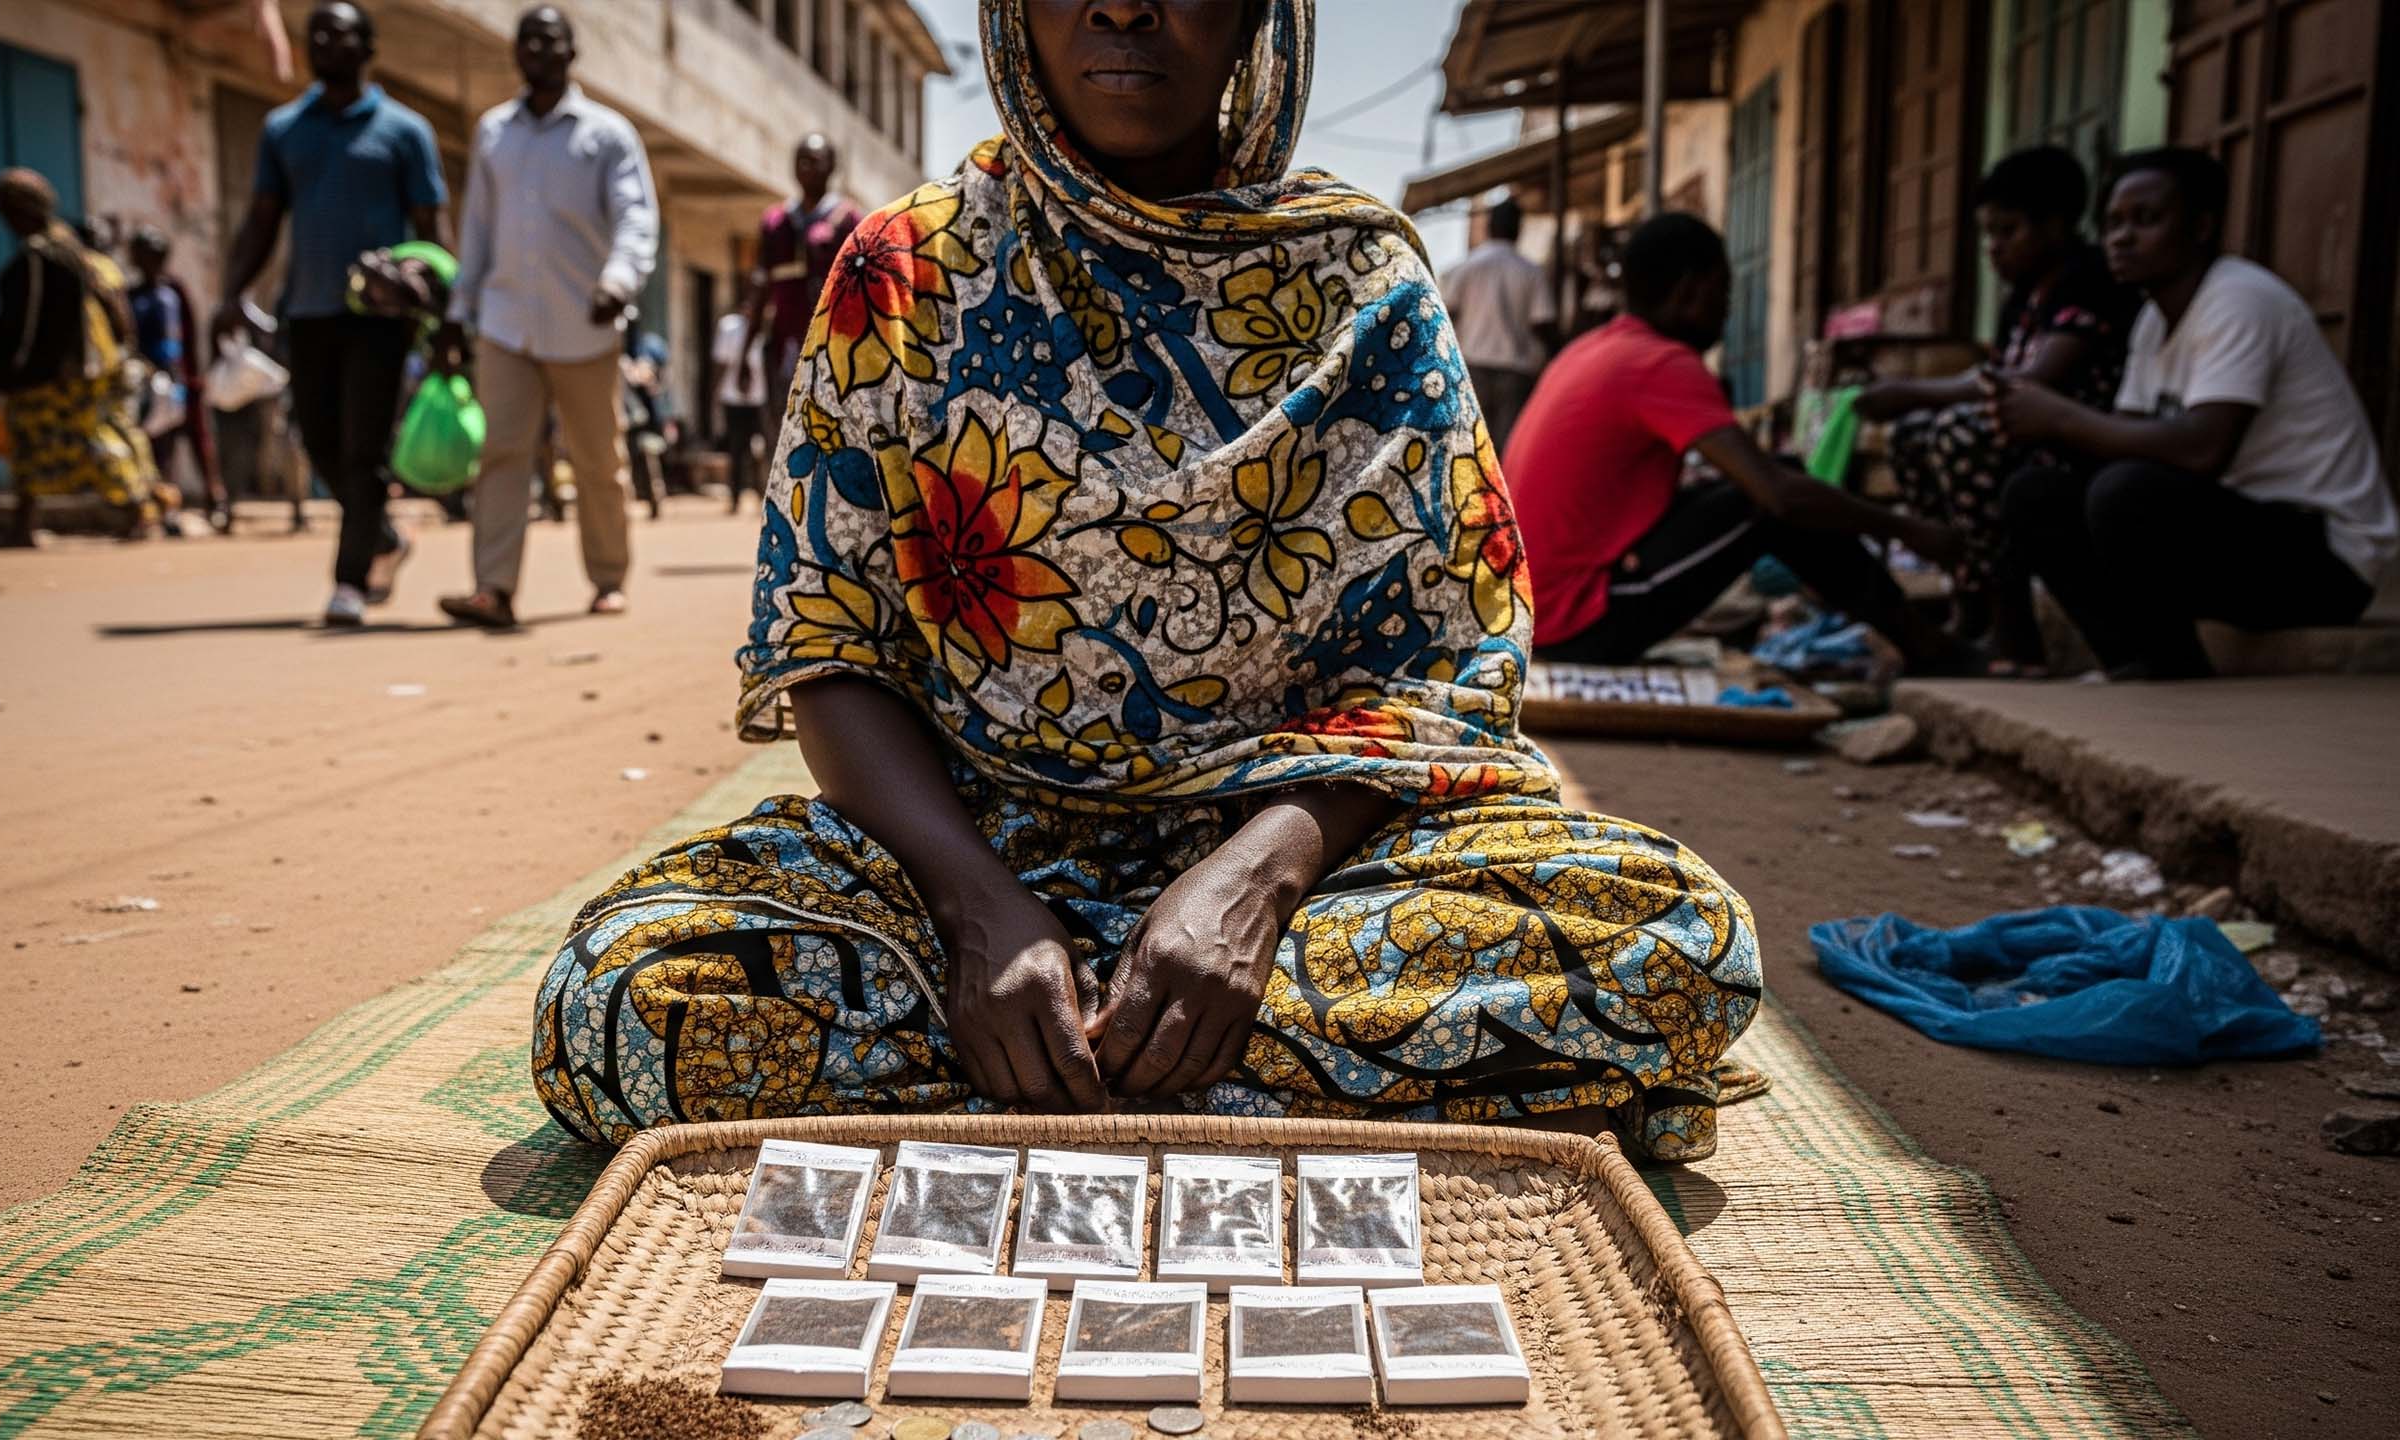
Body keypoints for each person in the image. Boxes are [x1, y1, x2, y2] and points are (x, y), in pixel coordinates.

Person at [529, 0, 1760, 1164]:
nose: (1122, 9)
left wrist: (1254, 885)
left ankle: (1058, 1065)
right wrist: (977, 914)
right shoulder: (904, 272)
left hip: (1303, 866)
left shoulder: (1364, 286)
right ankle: (1179, 1062)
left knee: (1681, 943)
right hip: (960, 854)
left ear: (1257, 12)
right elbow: (829, 648)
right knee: (619, 996)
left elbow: (1442, 671)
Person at [1992, 147, 2396, 680]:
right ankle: (2135, 660)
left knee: (2125, 492)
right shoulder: (2154, 323)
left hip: (2326, 561)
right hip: (2238, 533)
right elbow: (2127, 437)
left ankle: (2169, 663)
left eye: (2146, 220)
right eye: (2112, 223)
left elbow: (2204, 449)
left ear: (2202, 227)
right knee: (2035, 494)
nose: (2121, 238)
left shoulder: (2241, 300)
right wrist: (2032, 422)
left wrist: (2061, 418)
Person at [1503, 212, 1965, 668]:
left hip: (1522, 613)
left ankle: (1914, 633)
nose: (1726, 313)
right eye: (1723, 294)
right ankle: (1921, 641)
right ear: (1690, 292)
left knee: (1773, 482)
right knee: (1768, 504)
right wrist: (1909, 529)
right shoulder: (1661, 363)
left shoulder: (1592, 349)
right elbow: (1777, 496)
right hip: (1569, 623)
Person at [1855, 147, 2139, 673]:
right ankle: (1970, 602)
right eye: (1989, 234)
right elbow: (1994, 378)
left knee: (1961, 432)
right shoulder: (2023, 297)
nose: (1994, 248)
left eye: (2007, 232)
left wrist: (1913, 390)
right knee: (1913, 436)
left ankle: (2012, 621)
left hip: (2080, 448)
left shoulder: (2088, 278)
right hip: (2027, 444)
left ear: (2055, 225)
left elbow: (2029, 383)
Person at [214, 0, 447, 627]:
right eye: (316, 35)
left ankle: (348, 583)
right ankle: (384, 537)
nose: (326, 44)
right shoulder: (284, 129)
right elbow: (263, 219)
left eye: (341, 35)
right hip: (307, 312)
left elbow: (431, 233)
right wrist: (231, 293)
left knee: (362, 448)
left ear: (367, 47)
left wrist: (435, 304)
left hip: (379, 320)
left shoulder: (405, 131)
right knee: (318, 441)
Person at [430, 6, 655, 629]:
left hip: (585, 323)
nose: (539, 50)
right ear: (517, 53)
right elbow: (477, 228)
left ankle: (608, 579)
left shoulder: (607, 135)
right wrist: (458, 308)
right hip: (506, 323)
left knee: (596, 460)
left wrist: (618, 280)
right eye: (528, 40)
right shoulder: (494, 132)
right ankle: (492, 588)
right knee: (501, 451)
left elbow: (636, 218)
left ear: (571, 53)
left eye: (551, 41)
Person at [0, 168, 156, 545]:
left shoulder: (45, 255)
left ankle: (136, 509)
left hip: (62, 371)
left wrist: (7, 368)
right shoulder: (75, 251)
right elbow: (115, 309)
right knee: (39, 439)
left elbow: (26, 323)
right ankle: (26, 523)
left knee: (78, 438)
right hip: (91, 365)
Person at [737, 133, 863, 433]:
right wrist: (744, 352)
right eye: (801, 161)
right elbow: (760, 287)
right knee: (781, 425)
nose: (807, 168)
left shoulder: (849, 220)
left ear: (831, 167)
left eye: (815, 161)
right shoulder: (775, 221)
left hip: (836, 346)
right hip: (785, 346)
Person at [127, 228, 231, 535]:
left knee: (198, 442)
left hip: (179, 380)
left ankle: (216, 500)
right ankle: (167, 507)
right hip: (148, 381)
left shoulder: (173, 291)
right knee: (159, 447)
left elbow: (187, 334)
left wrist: (190, 378)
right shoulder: (133, 294)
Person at [1441, 196, 1555, 438]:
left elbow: (1445, 317)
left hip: (1472, 368)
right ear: (1518, 229)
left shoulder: (1464, 268)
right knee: (1506, 447)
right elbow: (1543, 324)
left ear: (1489, 227)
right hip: (1515, 374)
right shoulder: (1530, 272)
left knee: (1472, 444)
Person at [710, 277, 768, 514]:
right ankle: (735, 497)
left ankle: (761, 495)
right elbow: (720, 363)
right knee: (736, 449)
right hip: (732, 397)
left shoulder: (766, 327)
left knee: (761, 449)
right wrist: (714, 393)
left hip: (759, 398)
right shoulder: (729, 327)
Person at [620, 332, 673, 521]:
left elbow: (650, 378)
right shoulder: (618, 354)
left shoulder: (649, 345)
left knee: (649, 458)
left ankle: (655, 500)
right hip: (626, 420)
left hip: (647, 420)